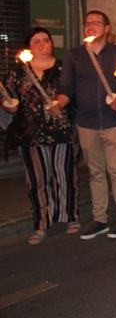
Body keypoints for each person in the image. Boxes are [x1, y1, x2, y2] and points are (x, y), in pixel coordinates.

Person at [56, 11, 116, 240]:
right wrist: (57, 103)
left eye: (96, 23)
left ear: (107, 28)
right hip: (86, 122)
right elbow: (66, 88)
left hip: (113, 121)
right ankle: (100, 219)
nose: (91, 27)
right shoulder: (74, 55)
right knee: (96, 172)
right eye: (87, 24)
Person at [3, 28, 80, 245]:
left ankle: (70, 216)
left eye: (45, 40)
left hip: (60, 129)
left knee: (64, 176)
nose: (42, 44)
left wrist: (61, 104)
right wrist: (8, 106)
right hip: (30, 134)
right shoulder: (18, 71)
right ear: (29, 46)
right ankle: (41, 222)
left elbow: (73, 93)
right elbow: (8, 98)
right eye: (36, 41)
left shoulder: (64, 68)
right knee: (37, 180)